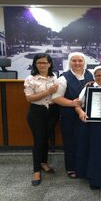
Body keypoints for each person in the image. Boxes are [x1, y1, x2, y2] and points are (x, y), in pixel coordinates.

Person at [52, 52, 94, 179]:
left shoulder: (90, 74)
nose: (77, 63)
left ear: (84, 62)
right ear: (69, 62)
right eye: (74, 61)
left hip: (87, 114)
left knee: (85, 140)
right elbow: (56, 98)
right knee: (70, 141)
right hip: (69, 115)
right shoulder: (63, 78)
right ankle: (71, 167)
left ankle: (84, 165)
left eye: (80, 61)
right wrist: (72, 103)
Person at [24, 54, 59, 186]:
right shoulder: (30, 79)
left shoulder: (54, 77)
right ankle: (36, 171)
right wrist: (48, 91)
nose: (42, 65)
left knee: (45, 139)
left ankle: (44, 163)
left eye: (45, 62)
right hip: (36, 113)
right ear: (35, 64)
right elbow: (29, 98)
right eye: (39, 63)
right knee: (38, 141)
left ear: (50, 64)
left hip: (52, 112)